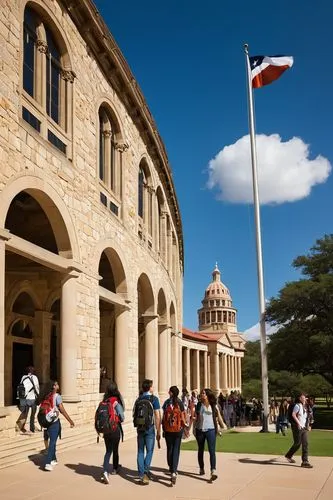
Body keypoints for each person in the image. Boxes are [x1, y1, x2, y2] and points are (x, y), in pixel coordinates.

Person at [193, 388, 226, 481]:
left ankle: (213, 471)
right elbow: (196, 417)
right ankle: (201, 468)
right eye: (201, 393)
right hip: (200, 430)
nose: (202, 394)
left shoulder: (213, 405)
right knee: (201, 450)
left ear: (207, 395)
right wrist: (193, 429)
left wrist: (222, 426)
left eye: (203, 393)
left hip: (211, 430)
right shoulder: (199, 405)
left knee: (212, 451)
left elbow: (218, 416)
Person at [42, 380, 75, 471]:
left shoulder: (46, 396)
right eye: (56, 384)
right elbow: (62, 410)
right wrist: (70, 421)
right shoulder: (57, 396)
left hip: (46, 421)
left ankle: (53, 459)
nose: (58, 385)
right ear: (54, 387)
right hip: (54, 422)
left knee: (52, 440)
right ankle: (48, 463)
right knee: (53, 442)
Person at [133, 379, 161, 485]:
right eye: (152, 386)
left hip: (140, 428)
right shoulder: (154, 399)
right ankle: (145, 471)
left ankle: (141, 474)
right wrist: (158, 430)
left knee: (140, 451)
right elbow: (157, 415)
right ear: (149, 388)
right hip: (150, 428)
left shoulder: (138, 399)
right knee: (149, 451)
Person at [96, 381, 124, 484]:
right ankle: (115, 468)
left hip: (106, 430)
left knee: (108, 451)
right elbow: (122, 416)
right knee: (115, 450)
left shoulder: (104, 401)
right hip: (114, 428)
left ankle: (105, 471)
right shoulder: (116, 402)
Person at [162, 386, 187, 484]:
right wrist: (185, 428)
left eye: (169, 391)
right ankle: (174, 471)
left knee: (170, 449)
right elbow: (183, 416)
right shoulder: (180, 403)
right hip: (178, 429)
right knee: (176, 449)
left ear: (171, 393)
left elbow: (164, 416)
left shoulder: (167, 403)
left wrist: (163, 428)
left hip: (168, 429)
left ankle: (170, 466)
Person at [285, 393, 313, 468]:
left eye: (305, 397)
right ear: (300, 398)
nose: (304, 398)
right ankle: (288, 455)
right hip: (297, 427)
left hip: (304, 428)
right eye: (303, 397)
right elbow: (293, 415)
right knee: (297, 443)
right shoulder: (297, 406)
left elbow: (308, 417)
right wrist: (298, 423)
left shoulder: (306, 407)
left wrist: (309, 425)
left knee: (305, 444)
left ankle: (305, 461)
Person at [16, 366, 40, 433]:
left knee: (25, 413)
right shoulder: (34, 377)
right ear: (33, 371)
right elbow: (37, 386)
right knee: (32, 414)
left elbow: (21, 386)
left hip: (25, 398)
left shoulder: (23, 377)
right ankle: (31, 428)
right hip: (32, 398)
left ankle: (21, 427)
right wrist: (38, 394)